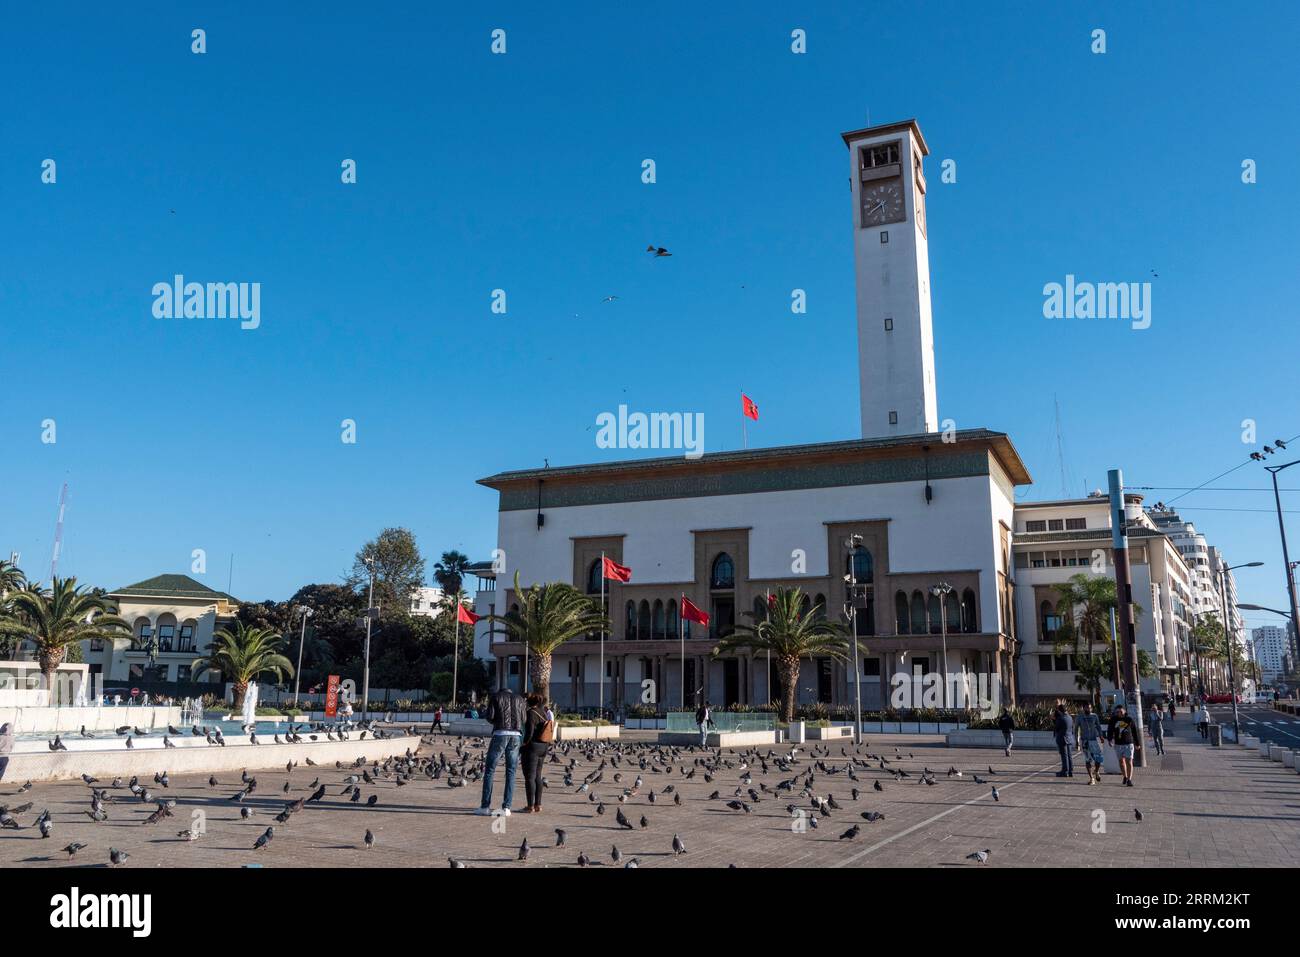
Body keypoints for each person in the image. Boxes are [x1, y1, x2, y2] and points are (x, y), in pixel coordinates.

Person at [475, 682, 525, 815]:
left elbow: (490, 717)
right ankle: (506, 807)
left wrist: (498, 722)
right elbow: (523, 718)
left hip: (500, 734)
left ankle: (485, 806)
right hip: (515, 735)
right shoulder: (519, 699)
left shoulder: (496, 697)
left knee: (490, 769)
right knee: (511, 771)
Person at [520, 693, 554, 813]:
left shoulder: (530, 713)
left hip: (532, 747)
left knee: (529, 777)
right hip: (543, 747)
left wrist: (523, 743)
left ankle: (530, 806)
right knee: (538, 776)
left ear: (529, 702)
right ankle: (538, 804)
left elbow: (529, 732)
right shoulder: (543, 712)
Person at [1107, 704, 1138, 786]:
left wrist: (1137, 743)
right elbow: (1110, 731)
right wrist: (1109, 740)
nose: (1119, 713)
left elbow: (1134, 732)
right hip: (1118, 744)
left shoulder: (1129, 719)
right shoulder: (1113, 720)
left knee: (1129, 761)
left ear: (1124, 711)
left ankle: (1129, 779)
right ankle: (1125, 776)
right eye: (1117, 712)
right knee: (1121, 762)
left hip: (1129, 743)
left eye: (1121, 711)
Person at [1077, 703, 1105, 784]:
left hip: (1094, 740)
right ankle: (1091, 778)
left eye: (1089, 708)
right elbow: (1076, 729)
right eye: (1086, 708)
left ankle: (1096, 771)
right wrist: (1077, 741)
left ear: (1091, 709)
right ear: (1083, 708)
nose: (1088, 710)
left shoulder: (1094, 716)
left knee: (1098, 758)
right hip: (1085, 741)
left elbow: (1098, 726)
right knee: (1088, 760)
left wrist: (1101, 736)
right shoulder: (1080, 717)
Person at [1053, 703, 1074, 777]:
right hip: (1069, 738)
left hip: (1063, 739)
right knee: (1069, 755)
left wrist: (1054, 720)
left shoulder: (1061, 718)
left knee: (1064, 756)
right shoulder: (1070, 717)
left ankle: (1065, 771)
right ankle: (1070, 770)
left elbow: (1057, 728)